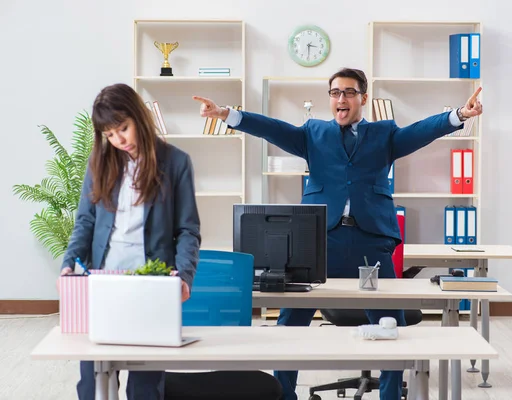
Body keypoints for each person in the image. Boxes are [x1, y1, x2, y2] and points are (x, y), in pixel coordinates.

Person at [193, 67, 482, 400]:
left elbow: (420, 131)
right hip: (317, 241)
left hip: (370, 241)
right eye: (335, 93)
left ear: (363, 97)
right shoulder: (312, 133)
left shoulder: (384, 134)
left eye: (348, 92)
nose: (340, 99)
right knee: (289, 322)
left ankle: (390, 395)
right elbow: (272, 129)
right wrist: (227, 114)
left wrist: (459, 115)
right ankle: (284, 395)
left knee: (393, 324)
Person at [59, 83, 201, 400]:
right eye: (110, 134)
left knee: (146, 386)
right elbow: (85, 221)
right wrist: (69, 263)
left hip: (150, 283)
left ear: (139, 117)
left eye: (123, 128)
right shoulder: (100, 162)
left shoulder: (176, 162)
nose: (119, 140)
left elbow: (188, 229)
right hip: (103, 283)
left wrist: (184, 275)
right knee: (92, 383)